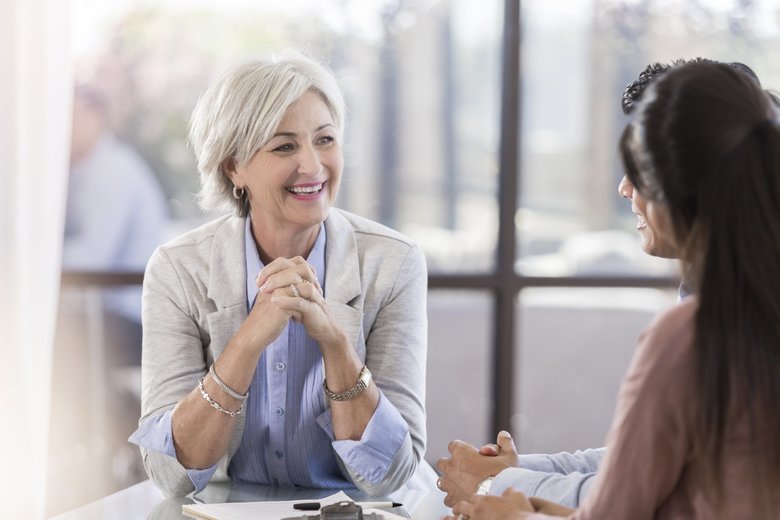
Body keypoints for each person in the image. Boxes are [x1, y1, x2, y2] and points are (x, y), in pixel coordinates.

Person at [445, 60, 780, 519]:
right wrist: (518, 481)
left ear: (681, 181)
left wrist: (504, 503)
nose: (625, 189)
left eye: (639, 168)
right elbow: (657, 471)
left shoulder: (692, 332)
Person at [128, 53, 435, 497]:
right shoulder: (178, 270)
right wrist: (249, 340)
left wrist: (333, 342)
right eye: (285, 146)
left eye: (325, 140)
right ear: (233, 166)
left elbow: (391, 475)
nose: (312, 166)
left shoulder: (393, 263)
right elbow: (173, 475)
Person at [63, 85, 170, 365]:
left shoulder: (113, 173)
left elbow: (91, 258)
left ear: (95, 117)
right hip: (102, 312)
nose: (62, 125)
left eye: (70, 115)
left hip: (126, 319)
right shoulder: (85, 170)